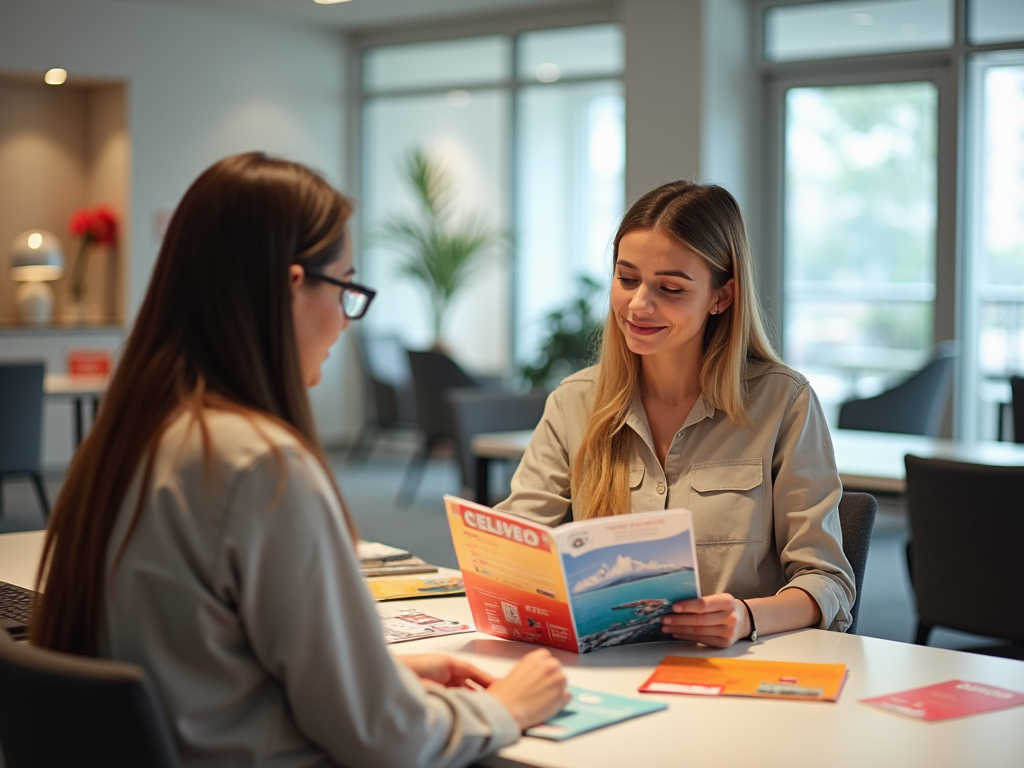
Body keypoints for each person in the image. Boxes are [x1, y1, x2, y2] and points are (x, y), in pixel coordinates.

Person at [31, 153, 569, 767]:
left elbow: (201, 665)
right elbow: (385, 740)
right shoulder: (260, 466)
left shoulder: (134, 434)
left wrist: (374, 673)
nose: (345, 319)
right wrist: (507, 708)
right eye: (346, 288)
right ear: (292, 284)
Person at [497, 181, 855, 648]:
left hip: (735, 671)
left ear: (721, 297)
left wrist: (746, 616)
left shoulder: (783, 403)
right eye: (627, 279)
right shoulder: (574, 402)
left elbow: (827, 583)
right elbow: (516, 550)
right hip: (605, 668)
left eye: (669, 288)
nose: (639, 305)